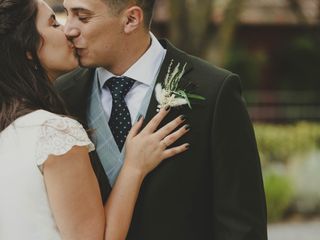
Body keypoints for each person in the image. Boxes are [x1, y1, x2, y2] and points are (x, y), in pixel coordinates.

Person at [57, 0, 268, 239]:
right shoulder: (61, 95)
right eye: (67, 14)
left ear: (131, 20)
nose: (68, 30)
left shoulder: (214, 91)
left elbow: (241, 224)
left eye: (82, 17)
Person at [0, 0, 190, 239]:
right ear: (28, 48)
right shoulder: (56, 132)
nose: (67, 30)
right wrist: (133, 167)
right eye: (54, 23)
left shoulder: (9, 127)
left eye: (81, 16)